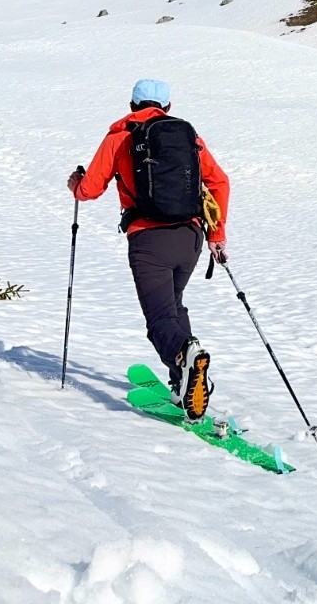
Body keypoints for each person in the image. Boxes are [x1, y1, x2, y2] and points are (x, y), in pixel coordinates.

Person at [67, 78, 229, 420]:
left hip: (149, 241)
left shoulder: (121, 135)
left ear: (131, 105)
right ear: (167, 107)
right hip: (191, 238)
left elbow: (91, 188)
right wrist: (217, 234)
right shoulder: (188, 137)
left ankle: (186, 355)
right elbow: (219, 181)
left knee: (159, 321)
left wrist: (76, 186)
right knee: (172, 307)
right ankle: (182, 383)